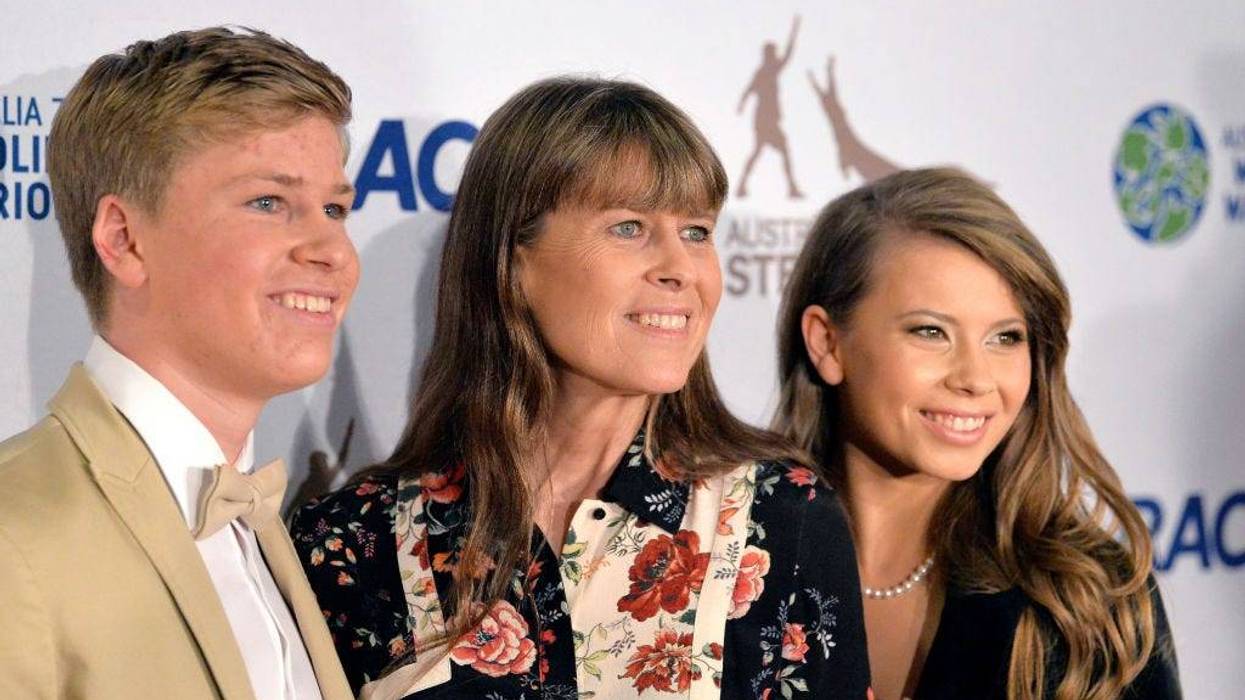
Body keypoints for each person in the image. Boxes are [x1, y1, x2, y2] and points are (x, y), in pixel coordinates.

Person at [291, 77, 871, 699]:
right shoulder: (353, 540)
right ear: (512, 260)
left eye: (697, 232)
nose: (680, 268)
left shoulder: (784, 516)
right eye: (629, 227)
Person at [0, 28, 359, 699]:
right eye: (268, 202)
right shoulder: (11, 536)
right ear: (124, 239)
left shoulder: (261, 528)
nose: (333, 248)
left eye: (335, 208)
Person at [772, 167, 1182, 699]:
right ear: (828, 343)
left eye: (1006, 337)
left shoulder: (1087, 598)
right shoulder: (732, 561)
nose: (974, 378)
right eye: (931, 332)